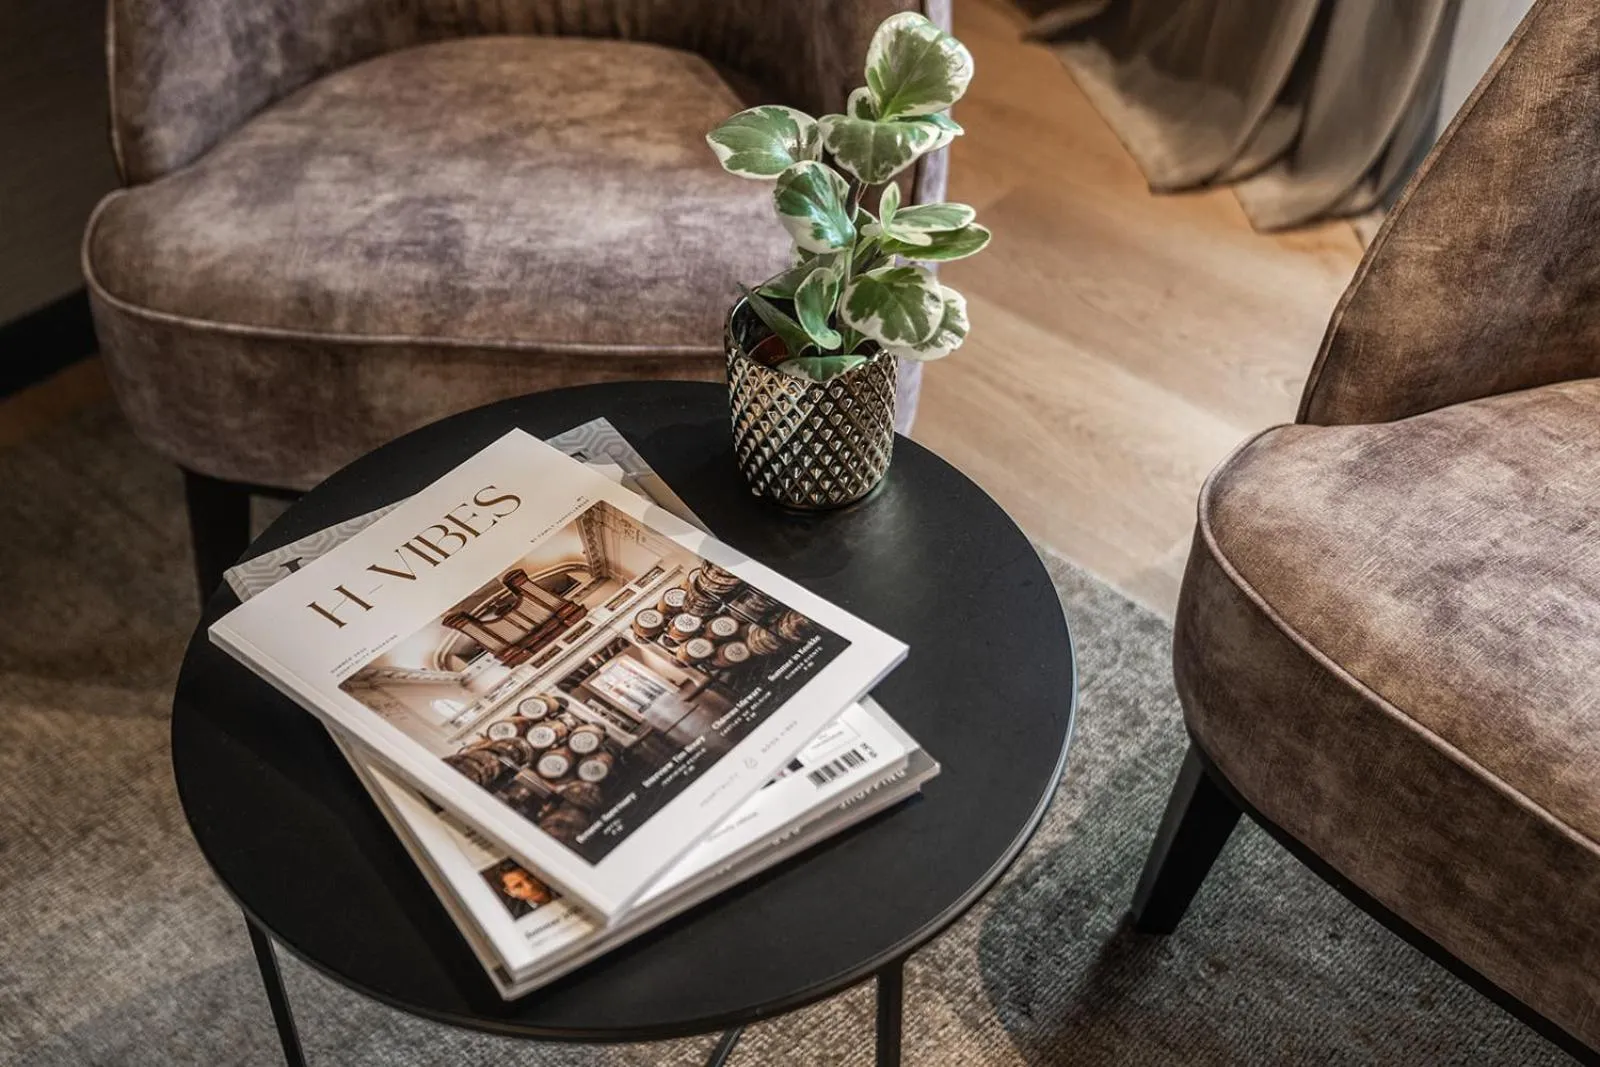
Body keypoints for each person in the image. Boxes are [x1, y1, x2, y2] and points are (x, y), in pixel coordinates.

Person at [482, 859, 553, 918]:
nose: (530, 886)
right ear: (509, 892)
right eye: (518, 885)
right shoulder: (518, 916)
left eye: (530, 877)